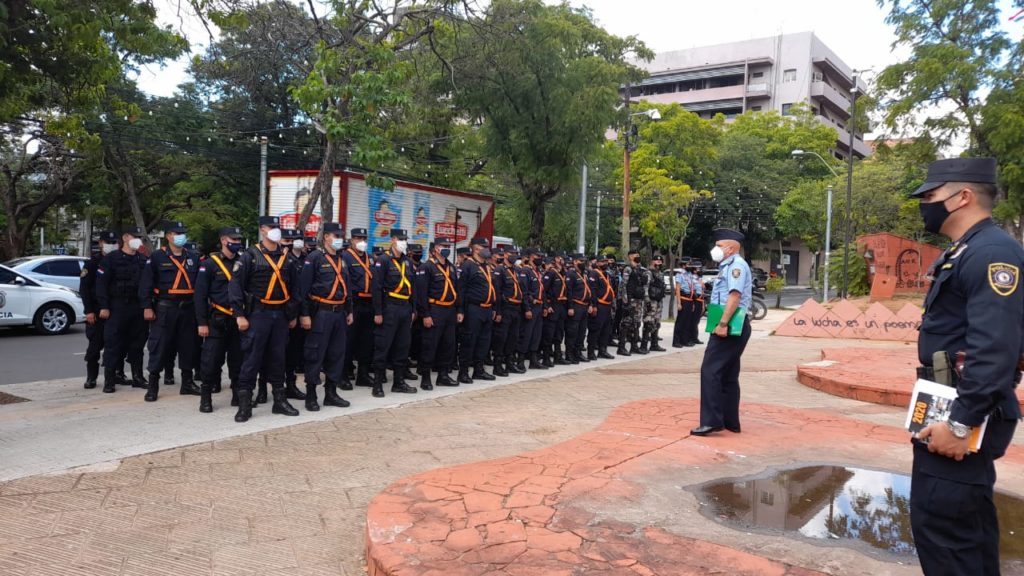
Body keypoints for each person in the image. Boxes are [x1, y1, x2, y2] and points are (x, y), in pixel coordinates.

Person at [908, 157, 1022, 575]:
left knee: (949, 534)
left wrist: (960, 424)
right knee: (955, 528)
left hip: (965, 415)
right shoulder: (967, 250)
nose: (924, 204)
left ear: (963, 197)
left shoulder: (991, 253)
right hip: (951, 405)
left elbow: (994, 349)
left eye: (930, 195)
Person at [229, 215, 301, 422]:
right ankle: (245, 405)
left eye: (277, 226)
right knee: (252, 359)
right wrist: (239, 315)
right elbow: (235, 286)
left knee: (278, 358)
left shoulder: (286, 257)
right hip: (257, 315)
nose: (275, 230)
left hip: (280, 315)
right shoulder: (250, 256)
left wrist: (292, 314)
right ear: (262, 229)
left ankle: (279, 401)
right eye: (271, 227)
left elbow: (295, 288)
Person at [692, 228, 752, 437]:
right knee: (728, 373)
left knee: (710, 371)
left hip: (730, 324)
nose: (715, 249)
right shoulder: (728, 265)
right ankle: (729, 421)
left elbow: (734, 296)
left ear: (731, 248)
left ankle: (711, 421)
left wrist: (723, 323)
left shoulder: (736, 266)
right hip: (734, 324)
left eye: (719, 245)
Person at [139, 221, 200, 402]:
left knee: (188, 346)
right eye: (176, 233)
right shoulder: (157, 257)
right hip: (165, 308)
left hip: (188, 308)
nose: (180, 236)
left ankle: (187, 383)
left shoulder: (193, 257)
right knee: (159, 346)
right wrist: (147, 307)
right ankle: (153, 385)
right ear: (168, 236)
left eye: (182, 233)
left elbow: (200, 285)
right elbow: (146, 284)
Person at [298, 222, 353, 411]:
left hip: (339, 313)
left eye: (341, 236)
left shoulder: (342, 259)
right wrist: (304, 314)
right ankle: (311, 394)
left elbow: (347, 287)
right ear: (326, 237)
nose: (339, 239)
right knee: (315, 354)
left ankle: (331, 393)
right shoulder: (314, 258)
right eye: (336, 236)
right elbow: (303, 289)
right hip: (321, 312)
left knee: (336, 354)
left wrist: (349, 310)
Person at [195, 227, 245, 413]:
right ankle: (206, 397)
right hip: (217, 319)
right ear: (224, 240)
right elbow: (200, 295)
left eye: (239, 239)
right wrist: (202, 323)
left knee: (238, 360)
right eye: (234, 239)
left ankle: (237, 395)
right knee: (211, 361)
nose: (237, 242)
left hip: (238, 319)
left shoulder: (243, 261)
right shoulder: (209, 264)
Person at [96, 226, 149, 393]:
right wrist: (104, 306)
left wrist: (148, 306)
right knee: (113, 343)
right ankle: (110, 379)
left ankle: (138, 376)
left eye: (140, 237)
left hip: (137, 307)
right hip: (117, 306)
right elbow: (101, 285)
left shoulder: (143, 259)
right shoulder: (111, 259)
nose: (138, 240)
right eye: (135, 236)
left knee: (138, 344)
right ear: (125, 237)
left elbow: (148, 285)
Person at [371, 229, 418, 397]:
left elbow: (413, 288)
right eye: (400, 239)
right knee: (383, 346)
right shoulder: (383, 260)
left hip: (405, 308)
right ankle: (377, 384)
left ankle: (399, 382)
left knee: (402, 347)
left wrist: (413, 309)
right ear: (393, 240)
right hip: (389, 307)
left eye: (405, 239)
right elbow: (376, 287)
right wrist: (378, 312)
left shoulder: (407, 261)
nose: (403, 242)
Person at [415, 238, 459, 389]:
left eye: (448, 246)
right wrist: (425, 314)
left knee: (448, 344)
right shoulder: (426, 267)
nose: (446, 248)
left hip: (450, 310)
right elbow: (421, 294)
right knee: (430, 344)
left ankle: (443, 375)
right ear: (435, 249)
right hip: (435, 309)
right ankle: (425, 378)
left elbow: (456, 289)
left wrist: (458, 310)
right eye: (443, 246)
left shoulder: (451, 267)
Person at [81, 231, 118, 390]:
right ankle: (91, 377)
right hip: (96, 311)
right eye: (108, 242)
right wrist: (89, 311)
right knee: (94, 347)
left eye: (114, 242)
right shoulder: (92, 263)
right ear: (101, 243)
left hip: (114, 310)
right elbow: (85, 289)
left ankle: (111, 379)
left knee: (113, 346)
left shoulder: (118, 261)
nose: (112, 245)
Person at [457, 237, 497, 383]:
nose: (487, 249)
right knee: (469, 341)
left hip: (487, 309)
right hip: (473, 309)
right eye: (484, 247)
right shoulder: (468, 265)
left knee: (484, 342)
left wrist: (493, 307)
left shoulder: (486, 266)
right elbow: (461, 290)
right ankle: (463, 372)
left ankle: (479, 370)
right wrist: (460, 310)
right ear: (476, 248)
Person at [343, 228, 375, 389]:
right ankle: (343, 375)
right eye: (357, 238)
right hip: (354, 303)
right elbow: (345, 282)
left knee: (366, 342)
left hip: (369, 303)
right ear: (351, 240)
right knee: (348, 341)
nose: (361, 241)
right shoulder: (345, 257)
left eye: (364, 238)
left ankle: (363, 374)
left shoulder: (371, 258)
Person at [279, 228, 308, 402]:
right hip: (275, 312)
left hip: (294, 312)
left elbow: (299, 291)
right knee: (272, 353)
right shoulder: (277, 259)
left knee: (293, 353)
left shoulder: (306, 259)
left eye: (295, 239)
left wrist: (298, 314)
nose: (291, 243)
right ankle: (263, 388)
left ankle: (290, 385)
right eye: (288, 240)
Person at [493, 247, 525, 376]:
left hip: (516, 308)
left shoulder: (516, 270)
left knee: (513, 337)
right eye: (512, 254)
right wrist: (498, 311)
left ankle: (509, 363)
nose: (514, 256)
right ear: (505, 255)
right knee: (501, 337)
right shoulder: (499, 270)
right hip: (505, 307)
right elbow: (497, 292)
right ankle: (497, 365)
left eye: (516, 254)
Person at [618, 249, 648, 356]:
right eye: (635, 255)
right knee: (626, 323)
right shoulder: (628, 269)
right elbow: (623, 285)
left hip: (638, 300)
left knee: (636, 323)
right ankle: (621, 347)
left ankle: (634, 346)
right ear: (630, 256)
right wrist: (625, 301)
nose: (637, 257)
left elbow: (644, 283)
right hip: (630, 299)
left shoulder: (641, 269)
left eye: (638, 255)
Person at [541, 255, 570, 366]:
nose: (561, 262)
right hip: (553, 305)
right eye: (559, 260)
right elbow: (543, 291)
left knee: (559, 333)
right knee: (549, 333)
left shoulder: (562, 273)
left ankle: (558, 356)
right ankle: (546, 358)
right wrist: (547, 305)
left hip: (561, 305)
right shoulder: (550, 273)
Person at [564, 253, 592, 364]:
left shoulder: (584, 274)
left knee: (582, 331)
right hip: (576, 305)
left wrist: (590, 304)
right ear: (575, 262)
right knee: (572, 331)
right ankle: (569, 354)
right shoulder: (571, 274)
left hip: (584, 306)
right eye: (581, 261)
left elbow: (588, 290)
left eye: (584, 261)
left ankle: (578, 352)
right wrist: (570, 307)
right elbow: (569, 291)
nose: (583, 263)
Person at [587, 255, 616, 360]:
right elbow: (592, 290)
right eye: (603, 262)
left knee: (606, 329)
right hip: (599, 305)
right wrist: (594, 305)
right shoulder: (594, 273)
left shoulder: (606, 274)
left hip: (607, 306)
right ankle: (591, 352)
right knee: (595, 329)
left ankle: (602, 351)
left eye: (606, 261)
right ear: (597, 263)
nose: (605, 263)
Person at [642, 254, 667, 353]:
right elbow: (645, 287)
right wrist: (647, 300)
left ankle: (654, 344)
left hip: (658, 300)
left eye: (660, 262)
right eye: (657, 261)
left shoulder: (660, 273)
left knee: (657, 322)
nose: (658, 263)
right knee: (648, 322)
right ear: (652, 262)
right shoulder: (648, 273)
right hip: (651, 301)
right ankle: (644, 346)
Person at [688, 260, 705, 346]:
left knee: (697, 320)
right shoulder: (691, 278)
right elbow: (692, 291)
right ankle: (690, 338)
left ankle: (695, 337)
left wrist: (703, 304)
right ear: (694, 269)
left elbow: (702, 291)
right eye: (698, 268)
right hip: (695, 300)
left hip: (700, 300)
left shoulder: (700, 278)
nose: (700, 270)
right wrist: (693, 303)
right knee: (692, 321)